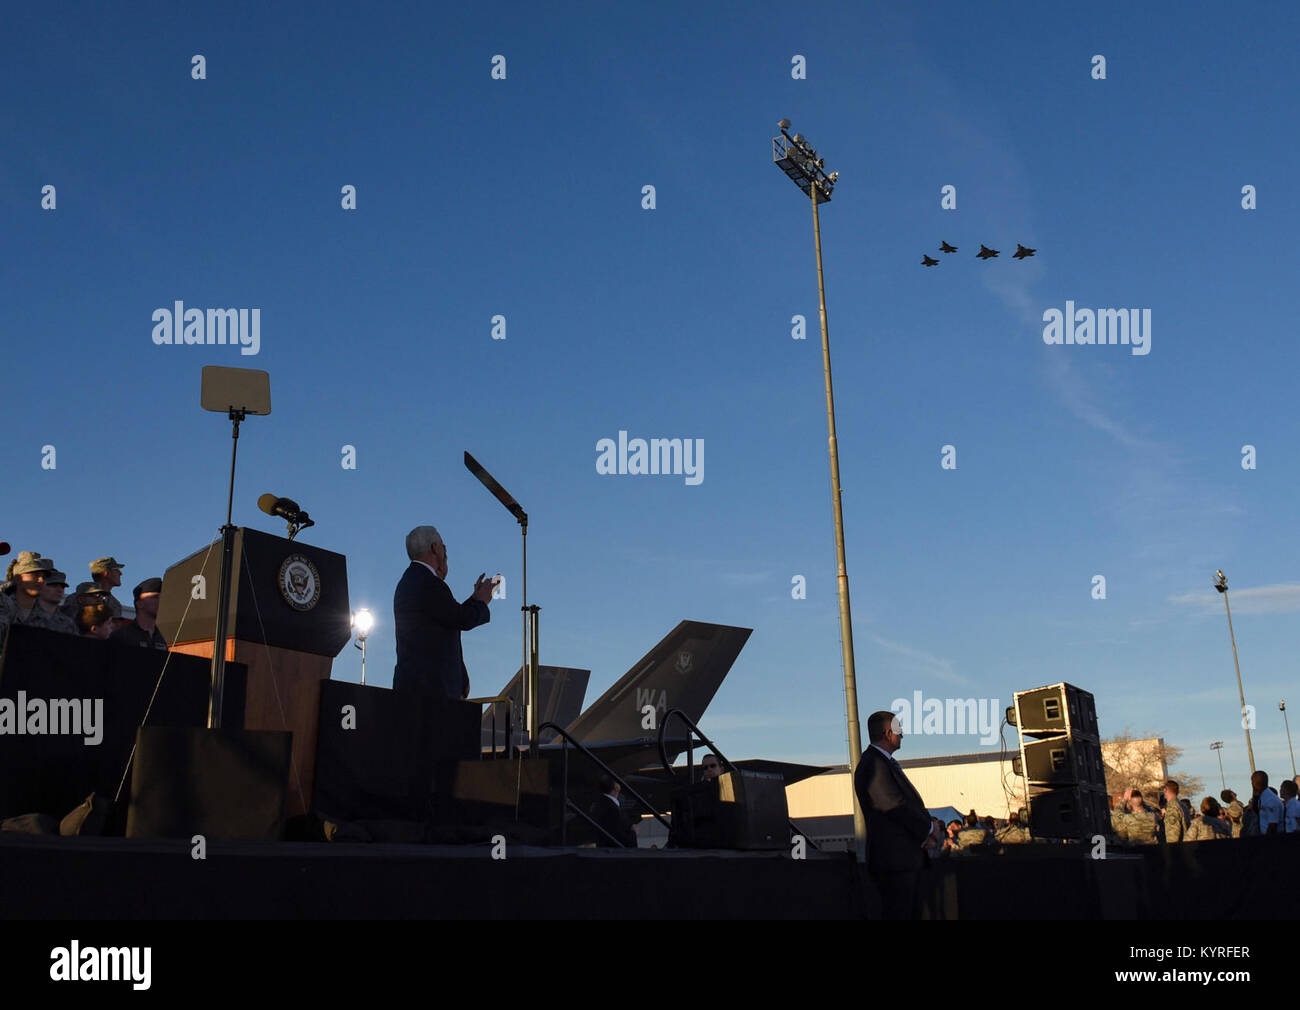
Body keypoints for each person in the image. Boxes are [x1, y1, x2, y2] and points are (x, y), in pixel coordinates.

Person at [392, 526, 495, 703]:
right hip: (431, 692)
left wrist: (474, 599)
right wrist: (482, 601)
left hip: (417, 688)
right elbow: (460, 618)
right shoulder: (427, 582)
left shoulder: (413, 580)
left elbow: (449, 617)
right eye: (443, 546)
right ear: (435, 548)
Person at [853, 710, 935, 919]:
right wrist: (929, 829)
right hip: (895, 862)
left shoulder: (882, 762)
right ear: (887, 733)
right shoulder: (873, 764)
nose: (902, 735)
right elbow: (893, 806)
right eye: (899, 730)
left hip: (903, 860)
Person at [9, 556, 77, 634]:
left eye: (44, 577)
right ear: (18, 579)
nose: (41, 580)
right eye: (35, 575)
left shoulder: (50, 618)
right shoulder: (4, 607)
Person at [110, 578, 167, 649]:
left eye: (162, 597)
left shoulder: (162, 639)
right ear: (139, 604)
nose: (161, 601)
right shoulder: (121, 636)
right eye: (155, 597)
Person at [589, 773, 637, 847]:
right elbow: (617, 835)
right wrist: (633, 833)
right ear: (616, 787)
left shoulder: (600, 803)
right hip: (617, 853)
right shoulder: (611, 809)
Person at [1251, 771, 1283, 836]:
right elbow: (1256, 810)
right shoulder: (1263, 797)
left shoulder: (1270, 799)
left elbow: (1273, 825)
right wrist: (1255, 796)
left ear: (1255, 783)